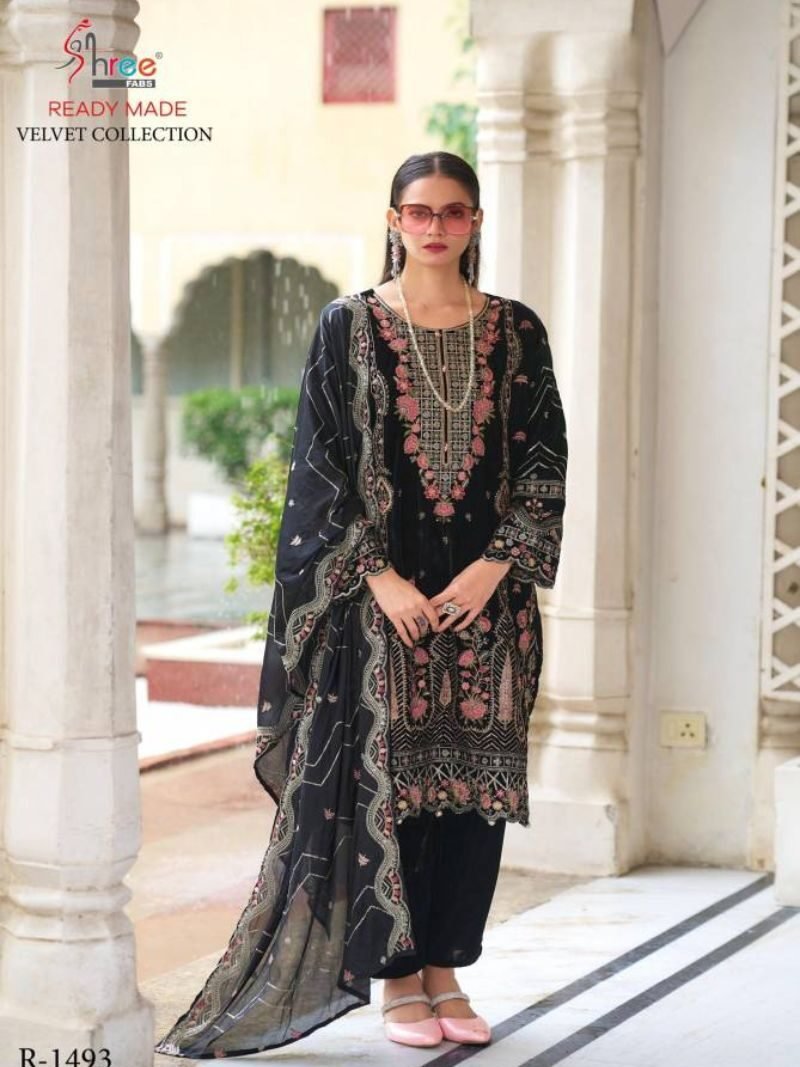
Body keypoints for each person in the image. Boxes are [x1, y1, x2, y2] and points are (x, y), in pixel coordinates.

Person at [154, 150, 568, 1060]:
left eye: (453, 212)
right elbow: (320, 467)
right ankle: (397, 977)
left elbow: (545, 459)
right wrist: (379, 576)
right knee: (393, 789)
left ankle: (447, 968)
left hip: (486, 611)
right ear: (394, 220)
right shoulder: (348, 326)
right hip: (382, 609)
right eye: (420, 211)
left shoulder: (516, 330)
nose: (435, 227)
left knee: (471, 797)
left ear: (475, 222)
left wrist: (494, 568)